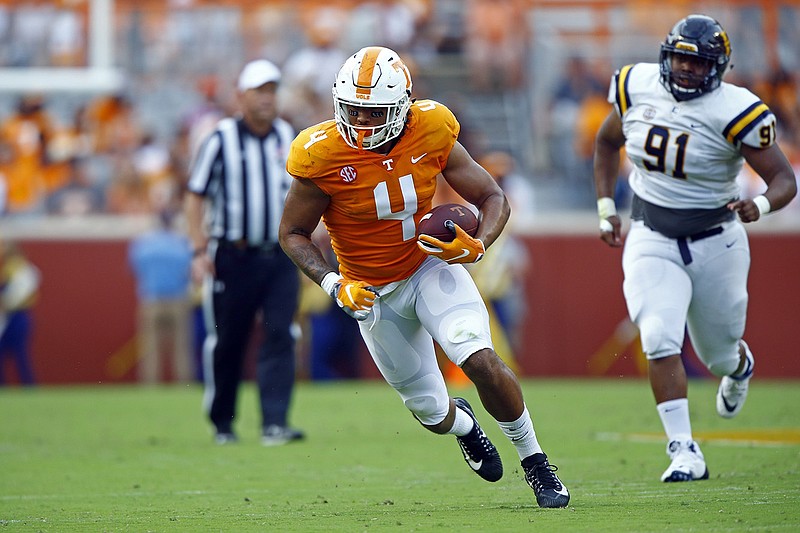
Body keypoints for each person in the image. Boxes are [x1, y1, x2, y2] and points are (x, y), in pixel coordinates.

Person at [279, 46, 569, 508]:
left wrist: (478, 245)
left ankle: (536, 462)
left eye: (373, 113)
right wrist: (335, 285)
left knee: (479, 360)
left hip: (427, 267)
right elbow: (292, 233)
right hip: (370, 292)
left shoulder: (431, 127)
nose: (361, 123)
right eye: (352, 110)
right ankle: (465, 426)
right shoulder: (320, 153)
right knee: (432, 411)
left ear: (402, 106)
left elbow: (492, 196)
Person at [593, 14, 797, 482]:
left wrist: (761, 205)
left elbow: (784, 179)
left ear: (718, 68)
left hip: (716, 241)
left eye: (697, 62)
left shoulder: (737, 109)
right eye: (681, 58)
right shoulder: (636, 84)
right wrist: (606, 207)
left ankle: (739, 366)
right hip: (651, 234)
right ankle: (684, 450)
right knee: (659, 336)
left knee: (719, 353)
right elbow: (606, 143)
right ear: (667, 56)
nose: (686, 69)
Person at [185, 59, 304, 446]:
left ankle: (274, 422)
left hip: (281, 255)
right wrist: (199, 250)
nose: (267, 98)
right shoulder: (220, 138)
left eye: (272, 90)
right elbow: (195, 195)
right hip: (233, 255)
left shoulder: (289, 135)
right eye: (259, 90)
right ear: (241, 95)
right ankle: (223, 422)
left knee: (281, 334)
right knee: (228, 339)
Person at [128, 209, 194, 384]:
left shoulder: (143, 245)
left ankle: (150, 385)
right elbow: (190, 270)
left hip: (152, 299)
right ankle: (183, 385)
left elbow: (135, 269)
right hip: (178, 299)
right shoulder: (181, 243)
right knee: (182, 347)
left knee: (150, 348)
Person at [0, 239, 40, 386]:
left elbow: (16, 297)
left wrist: (5, 302)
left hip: (18, 316)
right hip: (6, 316)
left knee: (20, 354)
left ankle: (28, 386)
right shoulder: (7, 269)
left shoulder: (26, 271)